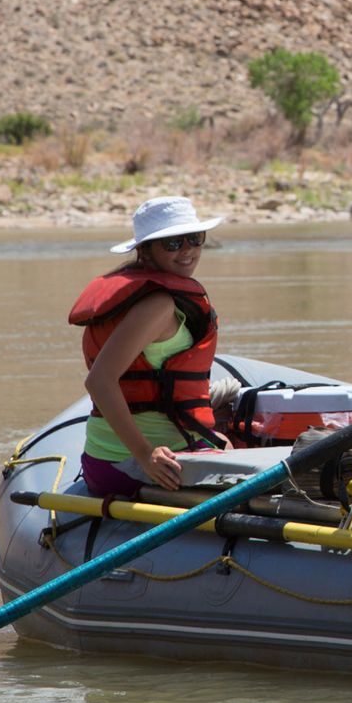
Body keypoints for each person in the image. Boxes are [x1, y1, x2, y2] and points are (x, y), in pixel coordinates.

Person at [69, 195, 230, 494]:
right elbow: (99, 382)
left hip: (114, 458)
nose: (187, 251)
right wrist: (145, 454)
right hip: (138, 464)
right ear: (146, 250)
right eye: (172, 243)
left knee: (229, 441)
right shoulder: (158, 305)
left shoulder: (147, 294)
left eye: (194, 239)